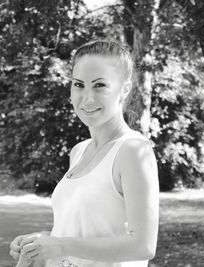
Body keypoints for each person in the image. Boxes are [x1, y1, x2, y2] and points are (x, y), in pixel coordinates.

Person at [10, 40, 159, 267]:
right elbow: (83, 231)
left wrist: (60, 245)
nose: (87, 97)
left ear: (124, 89)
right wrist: (42, 242)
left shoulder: (133, 150)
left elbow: (143, 245)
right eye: (79, 84)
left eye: (100, 85)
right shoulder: (79, 152)